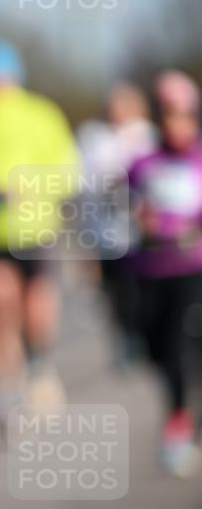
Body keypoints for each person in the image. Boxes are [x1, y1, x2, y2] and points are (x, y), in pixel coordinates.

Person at [0, 40, 79, 419]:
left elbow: (69, 172)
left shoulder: (42, 113)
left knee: (36, 310)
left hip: (37, 229)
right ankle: (6, 386)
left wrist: (27, 187)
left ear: (14, 76)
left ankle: (39, 364)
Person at [127, 70, 202, 477]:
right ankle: (180, 412)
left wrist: (190, 232)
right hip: (151, 269)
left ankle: (179, 424)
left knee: (182, 346)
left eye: (183, 115)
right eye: (168, 115)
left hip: (193, 269)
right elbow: (119, 209)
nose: (176, 124)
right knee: (156, 351)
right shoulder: (142, 164)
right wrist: (139, 219)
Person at [76, 81, 157, 361]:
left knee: (141, 285)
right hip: (105, 228)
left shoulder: (148, 134)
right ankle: (126, 334)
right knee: (115, 287)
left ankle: (144, 332)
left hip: (140, 227)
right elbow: (81, 178)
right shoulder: (92, 136)